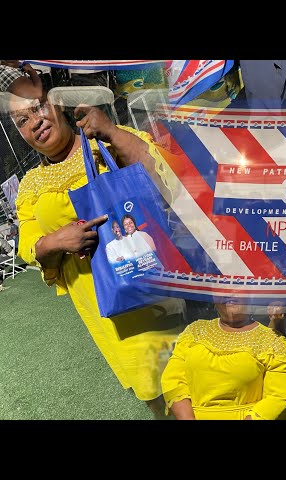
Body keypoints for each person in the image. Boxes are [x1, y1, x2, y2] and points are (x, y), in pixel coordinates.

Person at [7, 69, 186, 417]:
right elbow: (28, 247)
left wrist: (111, 131)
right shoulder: (31, 186)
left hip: (156, 290)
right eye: (22, 121)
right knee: (156, 399)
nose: (35, 122)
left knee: (196, 385)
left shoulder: (101, 141)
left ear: (57, 103)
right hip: (107, 310)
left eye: (38, 107)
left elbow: (170, 177)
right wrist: (56, 241)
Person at [161, 298, 286, 420]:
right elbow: (173, 379)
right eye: (223, 287)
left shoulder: (273, 340)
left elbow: (281, 395)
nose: (231, 293)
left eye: (238, 285)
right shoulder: (194, 331)